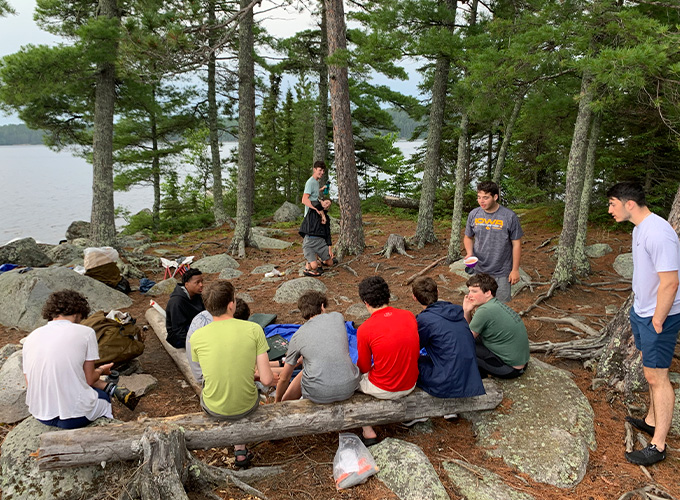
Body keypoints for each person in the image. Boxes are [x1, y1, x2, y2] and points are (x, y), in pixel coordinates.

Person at [607, 182, 680, 466]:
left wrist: (658, 319)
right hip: (643, 312)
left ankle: (658, 445)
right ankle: (651, 420)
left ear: (629, 204)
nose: (609, 209)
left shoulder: (659, 233)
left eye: (612, 203)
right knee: (650, 372)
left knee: (657, 377)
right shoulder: (640, 229)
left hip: (659, 317)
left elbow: (671, 281)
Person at [22, 290, 137, 430]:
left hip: (40, 413)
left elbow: (30, 383)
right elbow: (89, 380)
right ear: (77, 313)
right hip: (73, 418)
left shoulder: (32, 337)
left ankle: (111, 390)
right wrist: (101, 370)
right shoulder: (86, 333)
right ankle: (107, 430)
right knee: (103, 398)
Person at [190, 280, 274, 468]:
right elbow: (267, 380)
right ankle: (241, 449)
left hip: (213, 406)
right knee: (245, 397)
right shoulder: (253, 329)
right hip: (247, 405)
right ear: (231, 305)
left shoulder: (197, 336)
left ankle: (239, 450)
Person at [356, 276, 420, 445]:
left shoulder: (365, 329)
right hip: (410, 383)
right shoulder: (408, 316)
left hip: (384, 387)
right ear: (388, 296)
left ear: (365, 302)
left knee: (350, 382)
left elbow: (363, 367)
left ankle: (368, 430)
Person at [275, 291, 359, 403]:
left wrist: (277, 398)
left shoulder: (297, 336)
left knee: (303, 373)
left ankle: (282, 403)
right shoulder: (338, 317)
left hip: (318, 394)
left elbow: (285, 377)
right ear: (322, 306)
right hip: (350, 387)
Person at [411, 277, 485, 399]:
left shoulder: (424, 320)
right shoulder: (456, 311)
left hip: (446, 382)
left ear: (414, 297)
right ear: (437, 292)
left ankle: (424, 411)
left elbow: (414, 347)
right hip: (470, 375)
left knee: (410, 365)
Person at [464, 181, 523, 303]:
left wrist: (515, 270)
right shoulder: (474, 214)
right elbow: (468, 237)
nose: (481, 201)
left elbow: (516, 244)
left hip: (501, 270)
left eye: (486, 197)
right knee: (478, 304)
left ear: (495, 197)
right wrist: (469, 253)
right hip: (479, 269)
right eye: (479, 197)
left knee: (501, 306)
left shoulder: (509, 216)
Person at [462, 273, 530, 379]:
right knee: (472, 342)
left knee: (462, 349)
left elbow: (466, 339)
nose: (469, 295)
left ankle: (479, 381)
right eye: (469, 291)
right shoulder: (494, 304)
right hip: (521, 363)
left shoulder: (484, 311)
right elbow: (471, 331)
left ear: (488, 293)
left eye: (474, 291)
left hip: (510, 368)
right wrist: (467, 311)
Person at [301, 160, 334, 276]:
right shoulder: (310, 182)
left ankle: (317, 263)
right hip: (310, 217)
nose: (321, 172)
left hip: (315, 214)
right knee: (310, 238)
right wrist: (317, 209)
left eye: (323, 171)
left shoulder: (316, 182)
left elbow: (314, 196)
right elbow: (305, 199)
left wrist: (321, 190)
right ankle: (309, 266)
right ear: (314, 169)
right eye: (319, 170)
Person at [166, 268, 205, 348]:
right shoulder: (176, 302)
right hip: (178, 338)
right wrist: (193, 345)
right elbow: (178, 330)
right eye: (197, 282)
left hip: (192, 328)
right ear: (186, 284)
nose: (201, 285)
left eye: (201, 282)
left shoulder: (196, 295)